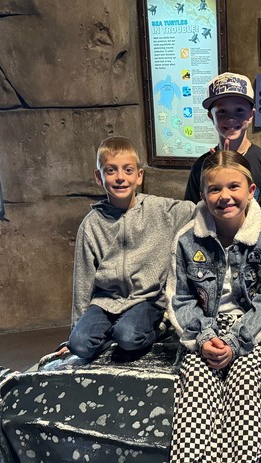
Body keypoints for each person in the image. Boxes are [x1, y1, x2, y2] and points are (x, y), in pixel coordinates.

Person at [165, 150, 261, 463]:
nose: (225, 196)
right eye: (214, 188)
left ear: (251, 190)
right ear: (203, 195)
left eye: (233, 186)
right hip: (203, 329)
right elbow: (180, 296)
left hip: (251, 330)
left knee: (247, 385)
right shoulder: (187, 239)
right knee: (196, 386)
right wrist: (203, 339)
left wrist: (237, 341)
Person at [56, 136, 194, 364]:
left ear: (139, 176)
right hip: (105, 302)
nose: (120, 177)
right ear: (98, 177)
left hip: (146, 299)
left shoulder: (161, 210)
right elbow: (83, 281)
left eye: (128, 170)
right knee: (80, 344)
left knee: (129, 337)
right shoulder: (91, 225)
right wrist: (75, 329)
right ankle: (110, 333)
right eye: (110, 171)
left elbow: (197, 209)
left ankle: (156, 327)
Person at [184, 72, 261, 227]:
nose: (231, 118)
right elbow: (192, 215)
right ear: (210, 116)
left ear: (252, 114)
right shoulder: (201, 165)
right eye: (222, 111)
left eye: (239, 110)